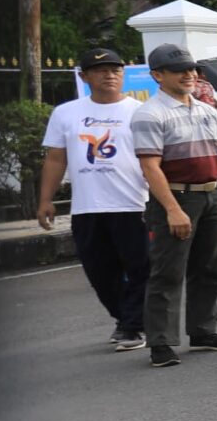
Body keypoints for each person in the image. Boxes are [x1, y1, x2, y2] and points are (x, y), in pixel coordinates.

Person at [130, 43, 217, 367]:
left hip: (210, 196)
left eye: (191, 69)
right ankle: (161, 343)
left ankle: (203, 331)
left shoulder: (207, 110)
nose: (188, 75)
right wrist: (172, 209)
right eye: (179, 70)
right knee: (168, 272)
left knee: (210, 268)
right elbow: (150, 166)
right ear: (157, 75)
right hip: (177, 197)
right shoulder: (150, 114)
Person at [36, 47, 153, 351]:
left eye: (116, 70)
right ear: (84, 76)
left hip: (134, 204)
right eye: (101, 71)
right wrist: (45, 199)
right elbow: (55, 158)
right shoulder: (66, 112)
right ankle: (125, 318)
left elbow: (155, 160)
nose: (109, 75)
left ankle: (133, 326)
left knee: (142, 268)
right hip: (87, 207)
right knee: (100, 273)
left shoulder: (141, 111)